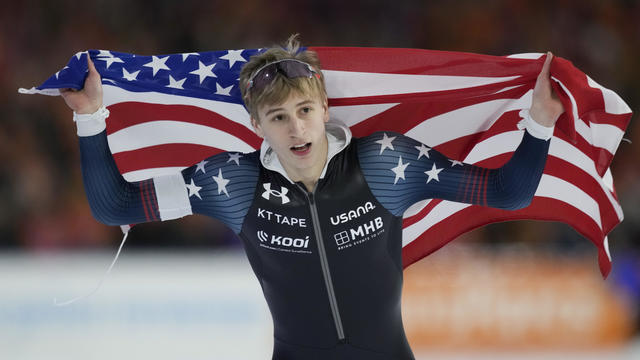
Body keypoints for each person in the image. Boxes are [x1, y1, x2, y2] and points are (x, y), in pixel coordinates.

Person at [60, 36, 563, 359]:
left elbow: (507, 193)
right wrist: (90, 117)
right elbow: (116, 206)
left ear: (324, 108)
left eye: (304, 110)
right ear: (256, 125)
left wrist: (539, 121)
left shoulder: (386, 165)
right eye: (278, 117)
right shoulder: (233, 184)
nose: (296, 128)